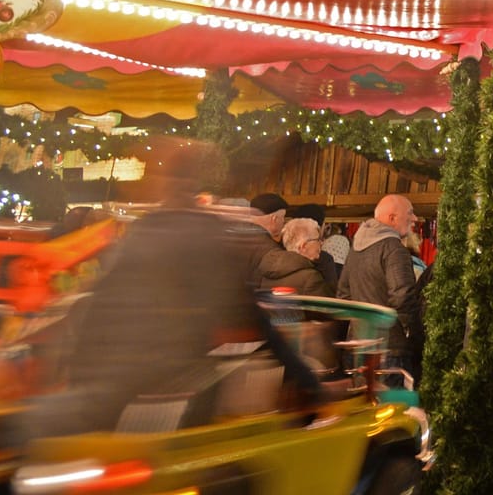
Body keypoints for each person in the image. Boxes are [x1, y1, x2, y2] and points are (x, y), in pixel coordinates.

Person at [24, 139, 321, 437]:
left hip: (111, 395)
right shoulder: (197, 235)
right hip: (165, 399)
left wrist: (77, 381)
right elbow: (247, 316)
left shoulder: (143, 233)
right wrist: (305, 381)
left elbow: (96, 312)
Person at [339, 193, 421, 376]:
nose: (415, 218)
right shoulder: (393, 248)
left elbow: (343, 296)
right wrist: (416, 334)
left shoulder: (356, 249)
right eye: (410, 213)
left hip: (357, 346)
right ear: (392, 218)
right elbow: (403, 297)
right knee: (392, 404)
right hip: (389, 348)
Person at [257, 216, 330, 295]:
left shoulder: (267, 272)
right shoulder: (311, 278)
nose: (321, 243)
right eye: (317, 239)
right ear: (303, 246)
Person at [243, 192, 289, 288]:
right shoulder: (269, 248)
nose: (283, 221)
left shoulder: (237, 236)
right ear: (274, 218)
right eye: (283, 217)